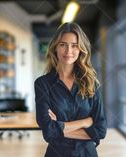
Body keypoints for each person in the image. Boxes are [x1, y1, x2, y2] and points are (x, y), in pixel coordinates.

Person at [34, 22, 107, 157]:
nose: (68, 51)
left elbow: (101, 130)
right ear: (55, 48)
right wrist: (85, 122)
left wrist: (60, 126)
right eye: (63, 45)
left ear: (80, 50)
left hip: (87, 153)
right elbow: (48, 131)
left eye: (74, 46)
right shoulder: (42, 84)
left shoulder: (91, 83)